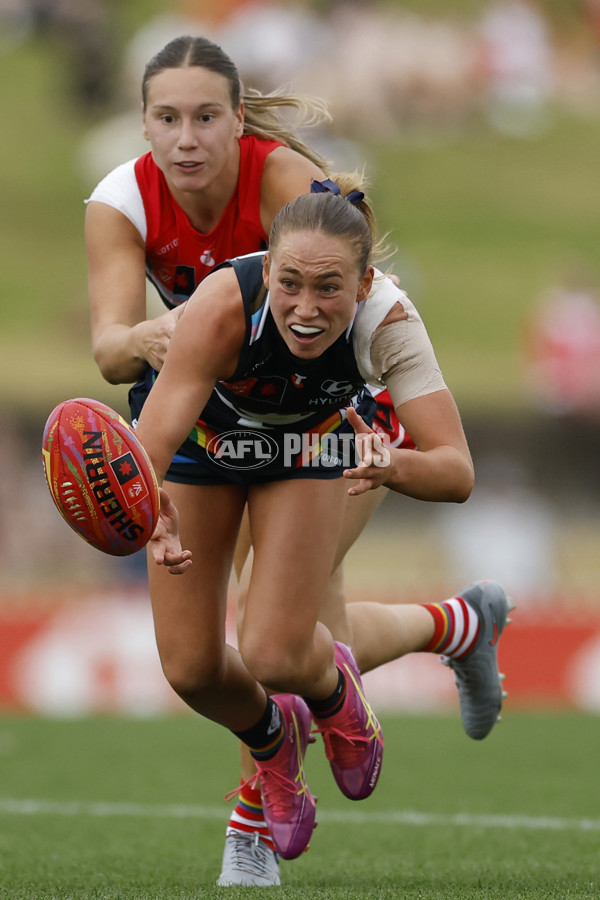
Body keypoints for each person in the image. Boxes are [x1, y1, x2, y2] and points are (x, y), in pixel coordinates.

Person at [85, 36, 512, 887]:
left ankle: (255, 817)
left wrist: (387, 455)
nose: (187, 139)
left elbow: (351, 285)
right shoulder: (141, 222)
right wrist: (144, 362)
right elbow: (113, 362)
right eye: (166, 119)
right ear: (141, 125)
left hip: (329, 427)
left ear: (238, 122)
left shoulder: (301, 209)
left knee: (284, 644)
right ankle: (452, 628)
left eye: (207, 116)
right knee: (217, 661)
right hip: (211, 416)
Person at [132, 185, 489, 872]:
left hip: (312, 449)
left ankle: (323, 694)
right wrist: (151, 517)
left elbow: (457, 471)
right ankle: (279, 733)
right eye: (290, 283)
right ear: (267, 271)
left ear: (364, 283)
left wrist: (394, 464)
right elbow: (149, 450)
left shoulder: (390, 320)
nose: (305, 308)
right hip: (204, 446)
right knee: (190, 669)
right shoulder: (218, 305)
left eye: (330, 288)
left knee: (271, 652)